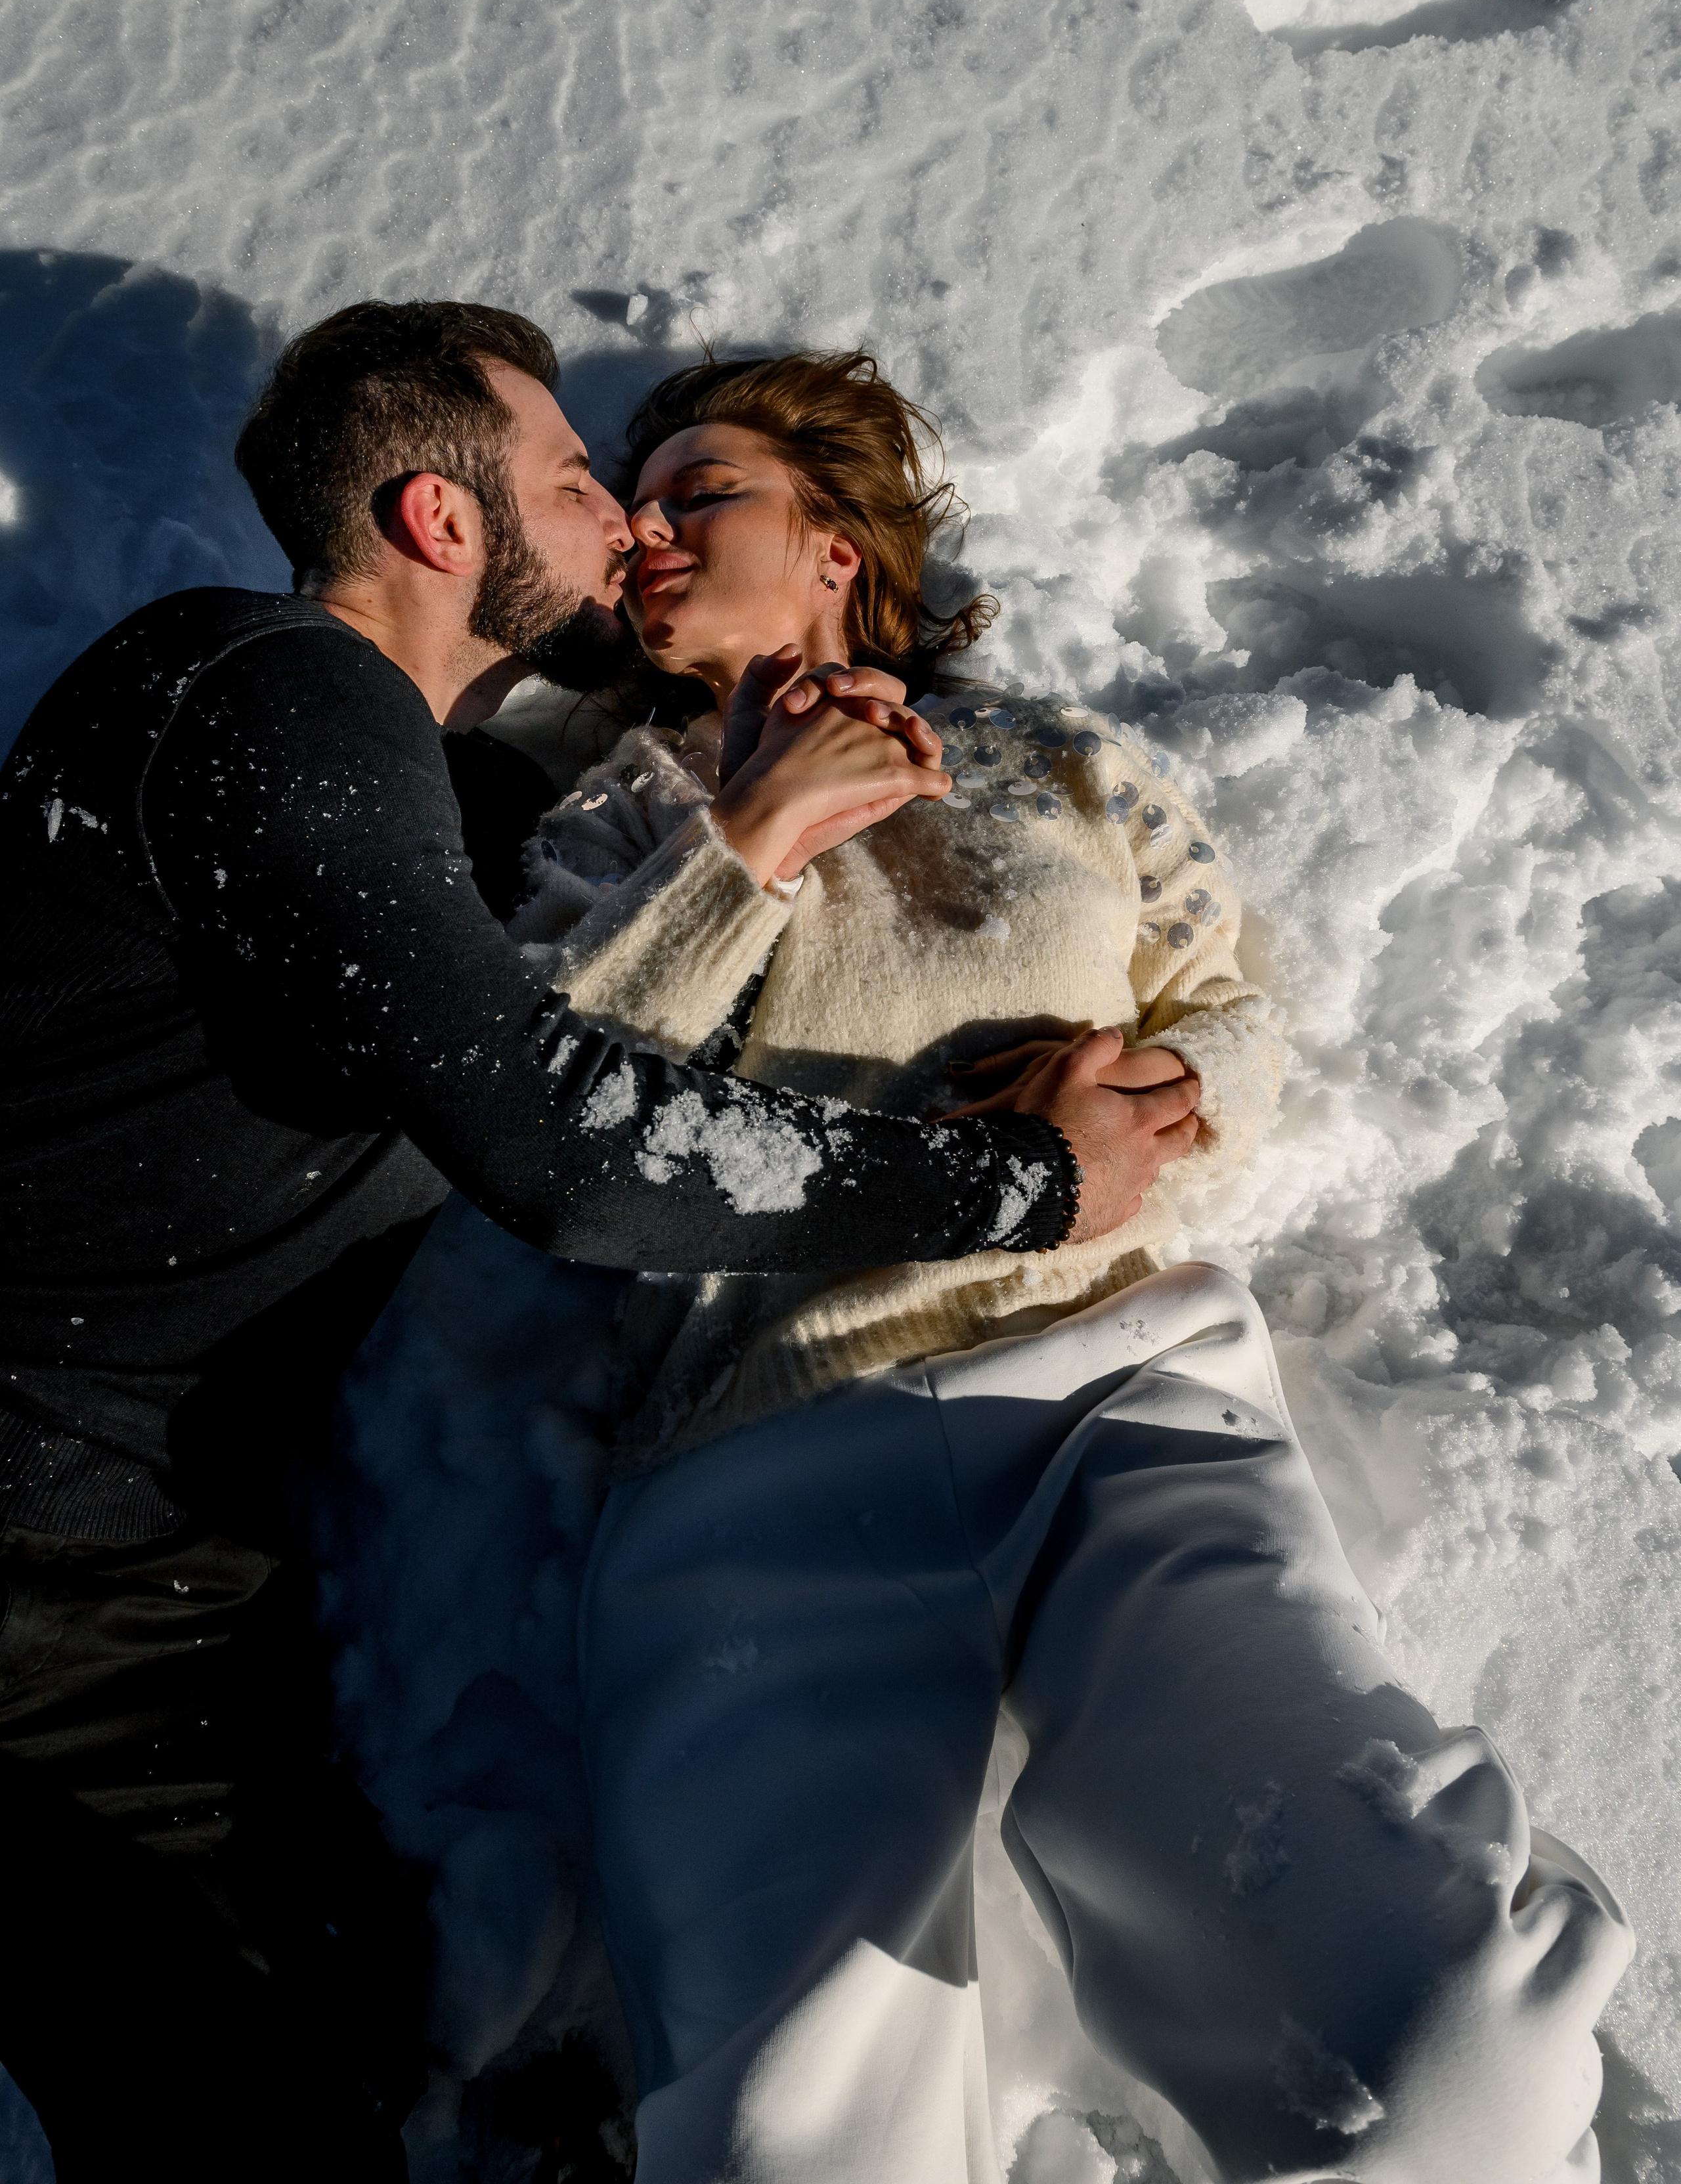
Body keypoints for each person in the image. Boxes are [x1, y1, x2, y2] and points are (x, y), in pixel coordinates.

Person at [0, 303, 1158, 2184]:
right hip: (34, 1564)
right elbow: (555, 1138)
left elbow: (550, 952)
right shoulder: (258, 684)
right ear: (441, 525)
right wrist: (1014, 1186)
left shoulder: (422, 797)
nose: (625, 526)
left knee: (354, 2048)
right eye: (573, 484)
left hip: (156, 1576)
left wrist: (747, 735)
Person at [507, 350, 1634, 2184]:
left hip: (1119, 1411)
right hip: (769, 1478)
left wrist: (1169, 1085)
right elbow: (545, 1099)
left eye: (697, 487)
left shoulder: (1062, 760)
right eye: (634, 496)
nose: (642, 526)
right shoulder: (623, 822)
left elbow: (1227, 1011)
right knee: (794, 2145)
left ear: (836, 545)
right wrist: (753, 835)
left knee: (1448, 2045)